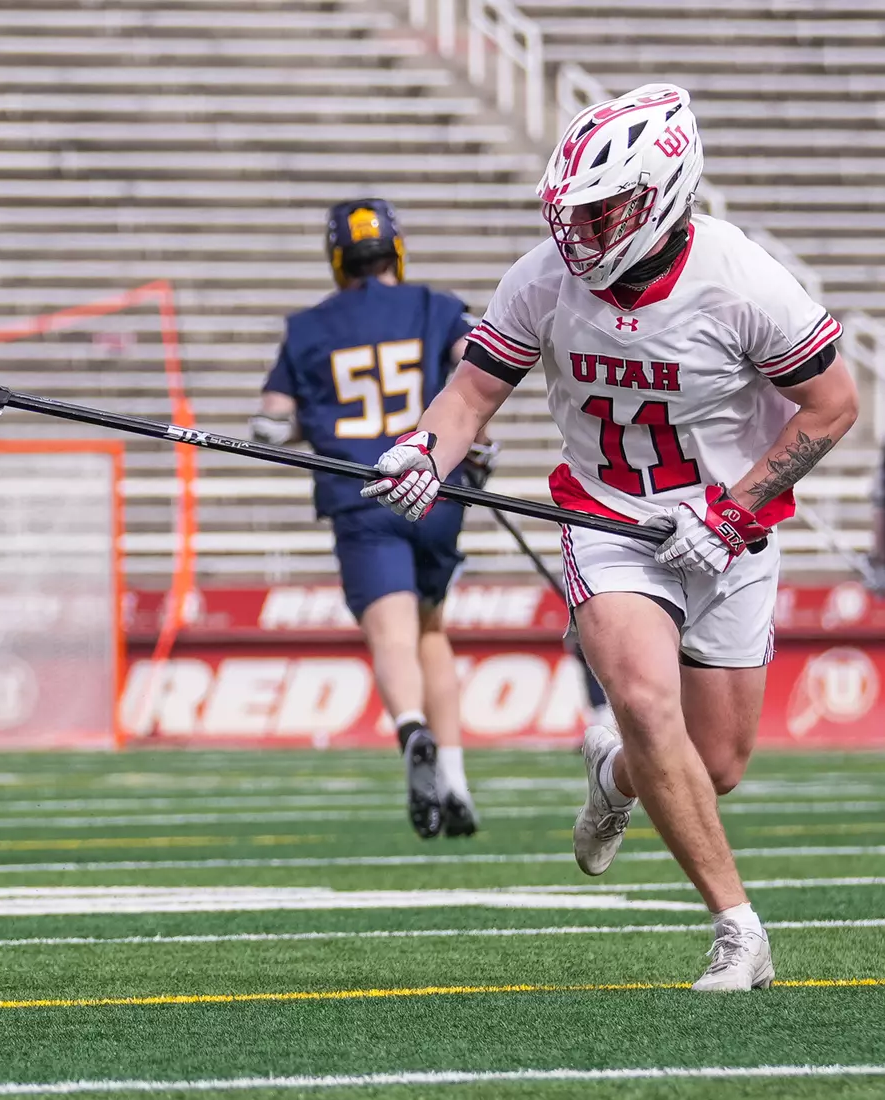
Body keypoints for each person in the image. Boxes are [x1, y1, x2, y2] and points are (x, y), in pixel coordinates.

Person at [362, 84, 857, 990]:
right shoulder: (543, 277)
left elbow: (833, 406)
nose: (583, 232)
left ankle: (614, 780)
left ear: (665, 194)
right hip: (606, 521)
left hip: (727, 527)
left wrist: (736, 510)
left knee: (717, 763)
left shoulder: (741, 279)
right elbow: (471, 395)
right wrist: (422, 452)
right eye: (576, 212)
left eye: (605, 211)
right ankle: (738, 930)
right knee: (640, 695)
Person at [251, 199, 494, 839]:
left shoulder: (308, 328)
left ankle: (411, 728)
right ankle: (456, 783)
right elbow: (477, 363)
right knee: (431, 630)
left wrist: (314, 421)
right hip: (435, 487)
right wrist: (480, 446)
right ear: (396, 249)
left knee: (392, 634)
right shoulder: (434, 306)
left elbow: (271, 422)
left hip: (362, 492)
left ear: (337, 258)